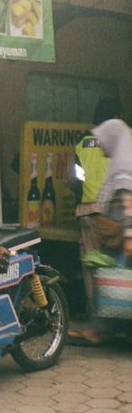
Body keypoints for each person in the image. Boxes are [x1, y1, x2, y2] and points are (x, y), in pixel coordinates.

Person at [69, 115, 132, 345]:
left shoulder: (122, 163)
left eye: (104, 140)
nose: (102, 146)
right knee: (116, 276)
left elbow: (75, 180)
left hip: (101, 218)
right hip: (111, 222)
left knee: (106, 275)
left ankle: (98, 327)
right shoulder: (124, 153)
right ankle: (106, 327)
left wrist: (128, 236)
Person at [72, 97, 122, 316]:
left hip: (88, 211)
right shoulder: (123, 142)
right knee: (118, 264)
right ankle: (118, 313)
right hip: (116, 211)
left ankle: (97, 315)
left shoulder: (82, 143)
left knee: (92, 264)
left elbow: (76, 181)